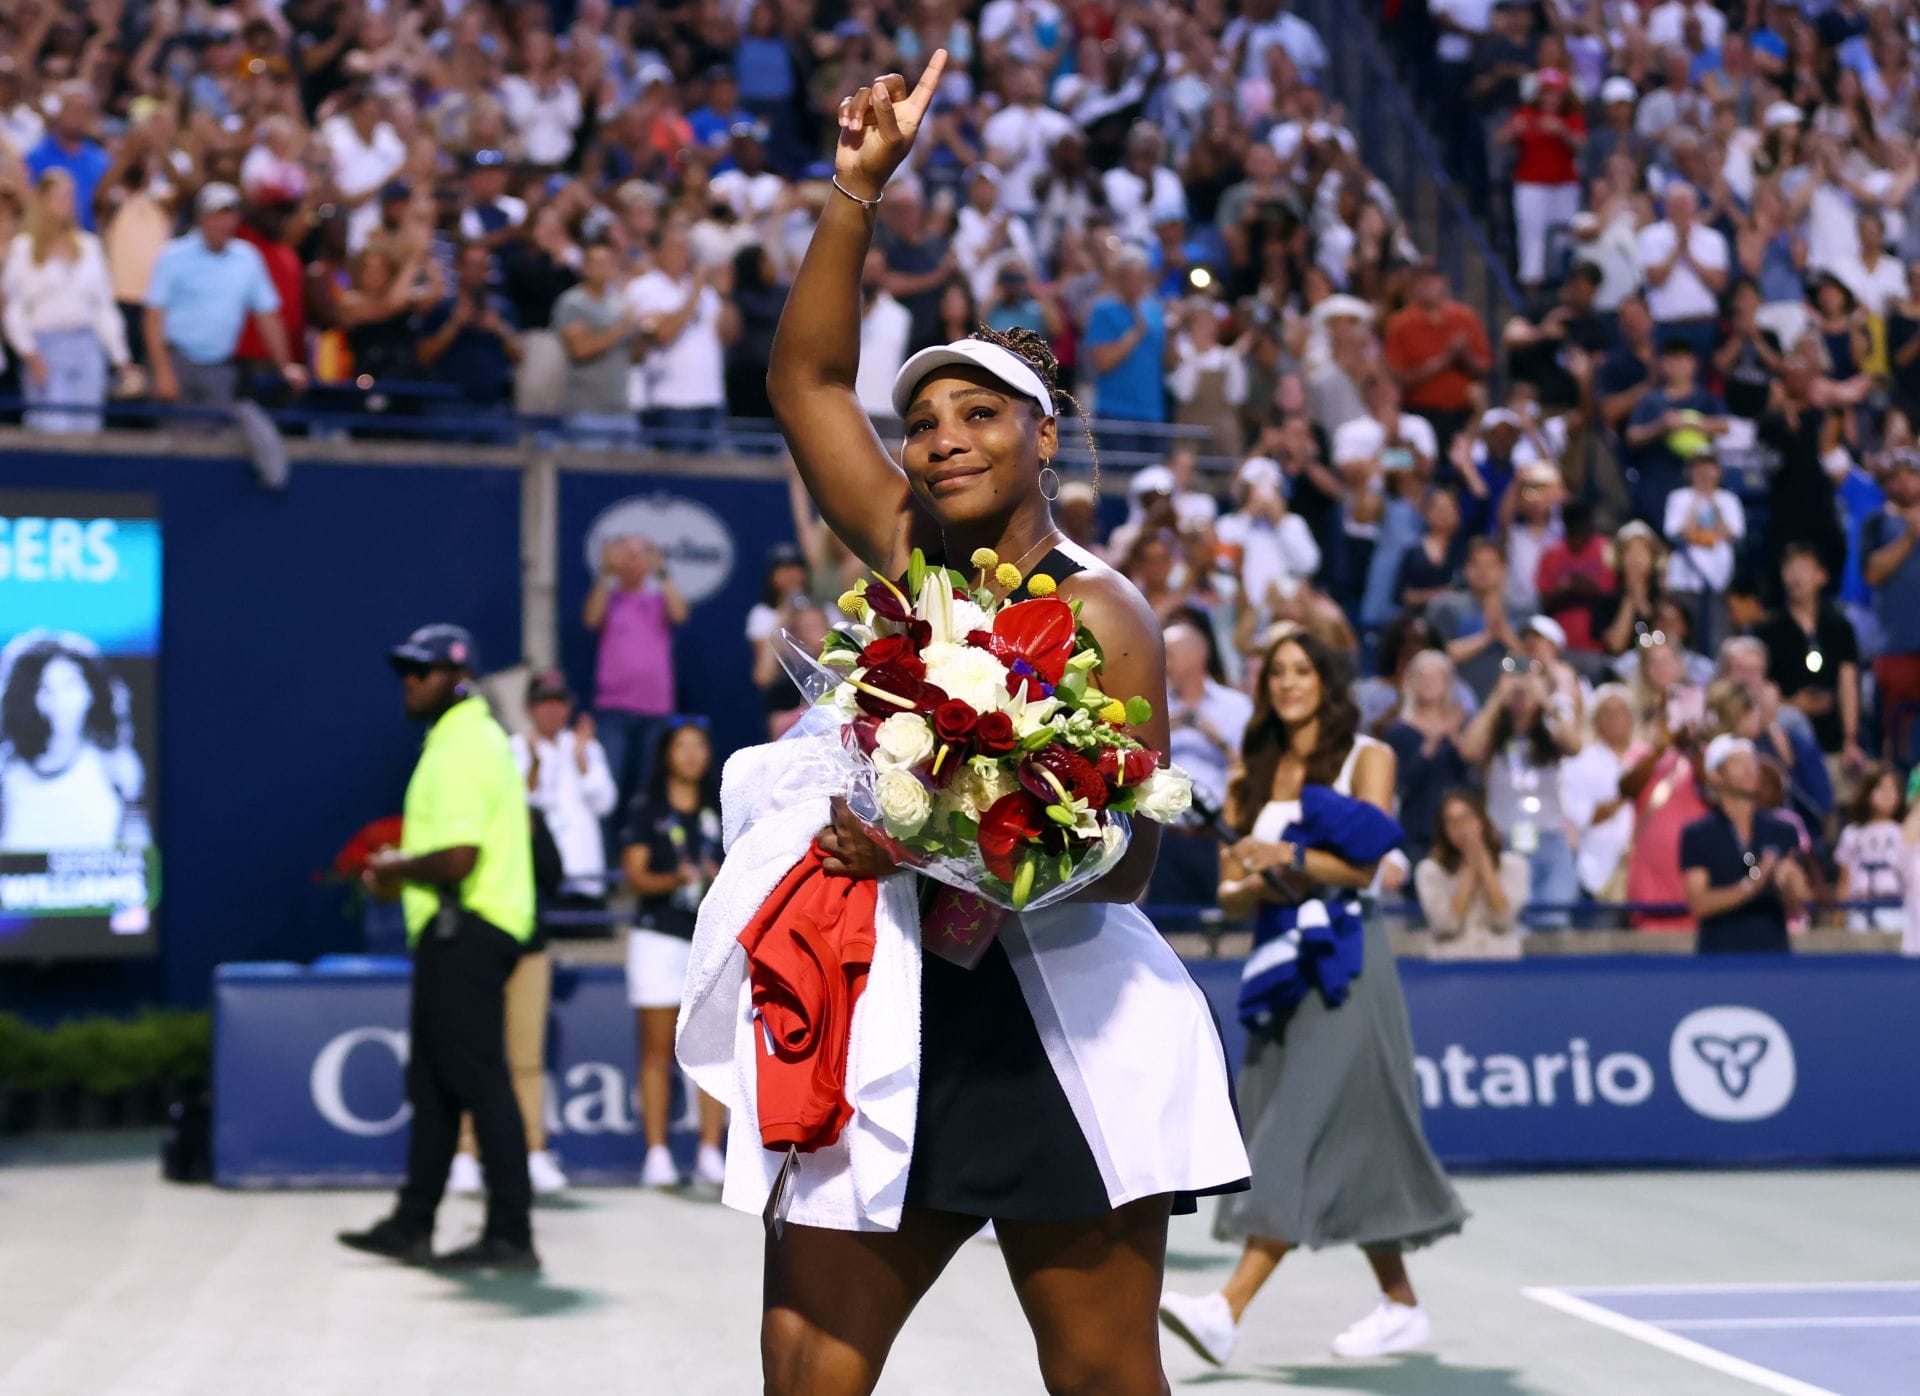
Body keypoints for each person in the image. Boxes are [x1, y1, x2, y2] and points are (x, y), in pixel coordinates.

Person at [752, 53, 1247, 1393]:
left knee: (1100, 1381)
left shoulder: (1107, 614)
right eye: (919, 422)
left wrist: (933, 843)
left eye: (976, 414)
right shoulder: (910, 556)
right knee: (803, 1363)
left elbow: (1132, 862)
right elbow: (803, 388)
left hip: (1058, 1032)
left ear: (1043, 437)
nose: (938, 439)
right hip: (894, 1011)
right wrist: (856, 191)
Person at [1161, 630, 1465, 1367]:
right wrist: (1256, 877)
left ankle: (1225, 1310)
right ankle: (1400, 1303)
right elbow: (1233, 897)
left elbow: (1364, 871)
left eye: (1303, 672)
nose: (1289, 684)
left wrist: (1287, 855)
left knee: (1290, 1134)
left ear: (1329, 682)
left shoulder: (1373, 756)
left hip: (1348, 966)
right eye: (1277, 674)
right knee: (1343, 1134)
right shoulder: (1252, 770)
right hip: (1276, 969)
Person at [339, 625, 538, 1271]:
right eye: (405, 671)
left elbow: (459, 858)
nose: (409, 681)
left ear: (455, 676)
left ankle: (511, 1234)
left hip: (468, 928)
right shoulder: (462, 738)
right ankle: (413, 1222)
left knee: (480, 1082)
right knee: (433, 1085)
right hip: (459, 929)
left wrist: (392, 869)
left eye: (420, 671)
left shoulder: (462, 744)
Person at [621, 719, 728, 1189]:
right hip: (657, 938)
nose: (690, 755)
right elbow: (634, 876)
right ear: (666, 753)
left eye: (698, 746)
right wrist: (678, 880)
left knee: (712, 1048)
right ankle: (658, 1153)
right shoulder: (647, 808)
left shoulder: (720, 808)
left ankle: (709, 1151)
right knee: (656, 1051)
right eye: (680, 746)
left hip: (708, 938)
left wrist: (716, 874)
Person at [144, 184, 307, 409]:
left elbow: (268, 316)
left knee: (218, 438)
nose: (223, 222)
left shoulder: (248, 258)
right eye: (215, 215)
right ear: (200, 217)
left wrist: (285, 366)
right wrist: (162, 372)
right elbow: (153, 318)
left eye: (228, 214)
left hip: (221, 366)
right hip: (177, 361)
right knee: (178, 439)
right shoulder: (173, 255)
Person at [2, 169, 132, 433]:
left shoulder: (90, 247)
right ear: (43, 201)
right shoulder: (24, 250)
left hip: (87, 346)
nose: (67, 203)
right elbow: (14, 309)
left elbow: (103, 308)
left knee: (88, 430)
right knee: (51, 428)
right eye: (60, 196)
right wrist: (30, 354)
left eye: (70, 196)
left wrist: (121, 358)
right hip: (46, 348)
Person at [1455, 664, 1582, 921]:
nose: (1521, 694)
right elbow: (1468, 750)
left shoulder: (1550, 729)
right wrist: (1497, 697)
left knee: (1553, 922)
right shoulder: (1493, 733)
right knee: (1509, 922)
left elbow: (1574, 745)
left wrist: (1545, 699)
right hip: (1505, 840)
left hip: (1550, 838)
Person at [0, 631, 147, 852]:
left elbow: (140, 853)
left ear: (91, 691)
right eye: (46, 689)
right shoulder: (5, 770)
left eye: (70, 685)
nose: (60, 701)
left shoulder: (116, 766)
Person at [584, 534, 688, 815]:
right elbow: (591, 619)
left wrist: (662, 572)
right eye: (625, 555)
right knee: (606, 786)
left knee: (649, 788)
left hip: (655, 709)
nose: (632, 562)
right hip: (613, 709)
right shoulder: (608, 599)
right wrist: (606, 574)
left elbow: (680, 614)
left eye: (638, 555)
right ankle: (604, 855)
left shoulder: (658, 600)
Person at [1155, 620, 1254, 905]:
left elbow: (1250, 770)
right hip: (1166, 838)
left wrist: (1217, 740)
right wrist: (1167, 727)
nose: (1164, 662)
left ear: (1196, 656)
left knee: (1222, 927)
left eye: (1170, 653)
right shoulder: (1157, 705)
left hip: (1218, 837)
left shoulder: (1236, 707)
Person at [1680, 735, 1807, 954]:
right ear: (1715, 774)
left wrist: (1789, 883)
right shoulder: (1698, 834)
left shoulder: (1781, 830)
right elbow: (1699, 903)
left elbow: (1799, 900)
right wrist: (1752, 884)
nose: (1750, 770)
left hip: (1772, 955)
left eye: (1753, 763)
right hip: (1720, 958)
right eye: (1738, 763)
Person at [1753, 544, 1864, 775]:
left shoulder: (1839, 627)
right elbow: (1758, 688)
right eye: (1789, 567)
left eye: (1803, 567)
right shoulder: (1768, 631)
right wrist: (1794, 705)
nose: (1795, 575)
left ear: (1821, 576)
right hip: (1787, 743)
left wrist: (1850, 740)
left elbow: (1848, 684)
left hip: (1834, 739)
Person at [1382, 650, 1472, 864]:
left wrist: (1455, 738)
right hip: (1416, 830)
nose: (1428, 683)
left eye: (1435, 677)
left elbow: (1470, 777)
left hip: (1456, 831)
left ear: (1447, 683)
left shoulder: (1460, 726)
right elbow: (1400, 783)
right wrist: (1431, 742)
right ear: (1411, 682)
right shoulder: (1397, 731)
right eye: (1422, 676)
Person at [1416, 789, 1529, 959]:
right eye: (1451, 822)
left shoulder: (1514, 865)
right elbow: (1446, 925)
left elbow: (1504, 920)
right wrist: (1468, 871)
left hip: (1501, 963)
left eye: (1465, 818)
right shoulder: (1430, 871)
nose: (1460, 828)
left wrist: (1485, 867)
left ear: (1481, 820)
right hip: (1450, 965)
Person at [552, 241, 644, 445]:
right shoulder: (572, 302)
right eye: (598, 262)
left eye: (609, 262)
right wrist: (622, 327)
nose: (605, 267)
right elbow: (581, 349)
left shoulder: (620, 303)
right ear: (584, 268)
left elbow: (635, 357)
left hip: (622, 409)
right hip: (588, 412)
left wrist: (643, 335)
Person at [1560, 685, 1641, 902]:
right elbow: (1582, 817)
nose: (1615, 718)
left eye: (1621, 711)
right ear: (1595, 720)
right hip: (1598, 873)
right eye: (1607, 712)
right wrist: (1628, 792)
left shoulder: (1647, 757)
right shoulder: (1578, 763)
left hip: (1646, 871)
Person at [1833, 765, 1906, 932]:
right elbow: (1845, 878)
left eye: (1892, 789)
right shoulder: (1852, 833)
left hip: (1895, 909)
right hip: (1859, 908)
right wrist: (1839, 916)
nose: (1887, 795)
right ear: (1868, 793)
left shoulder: (1905, 833)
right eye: (1881, 788)